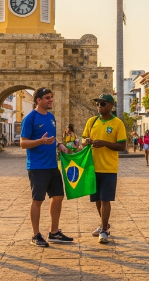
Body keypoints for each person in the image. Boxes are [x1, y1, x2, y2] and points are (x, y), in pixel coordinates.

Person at [20, 87, 73, 247]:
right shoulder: (30, 118)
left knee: (58, 197)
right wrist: (40, 141)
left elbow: (51, 138)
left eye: (51, 97)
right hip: (37, 167)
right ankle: (35, 235)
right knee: (37, 200)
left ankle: (54, 232)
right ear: (38, 100)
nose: (51, 100)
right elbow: (23, 143)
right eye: (48, 98)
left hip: (52, 165)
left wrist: (60, 144)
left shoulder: (51, 117)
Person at [83, 94, 127, 244]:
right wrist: (86, 141)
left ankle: (103, 230)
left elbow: (122, 146)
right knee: (97, 200)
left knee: (105, 199)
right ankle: (104, 225)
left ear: (110, 106)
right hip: (93, 167)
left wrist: (105, 143)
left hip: (109, 168)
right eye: (97, 104)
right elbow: (83, 140)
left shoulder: (117, 123)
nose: (99, 106)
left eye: (102, 104)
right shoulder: (92, 121)